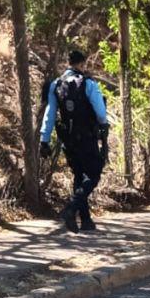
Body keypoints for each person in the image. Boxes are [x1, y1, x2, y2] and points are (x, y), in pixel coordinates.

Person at [40, 49, 109, 232]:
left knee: (79, 175)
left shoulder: (56, 84)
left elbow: (50, 114)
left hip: (68, 138)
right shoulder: (88, 83)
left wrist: (44, 139)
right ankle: (71, 208)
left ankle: (86, 220)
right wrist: (103, 126)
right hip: (86, 136)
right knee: (93, 174)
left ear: (68, 62)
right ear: (81, 64)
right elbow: (101, 112)